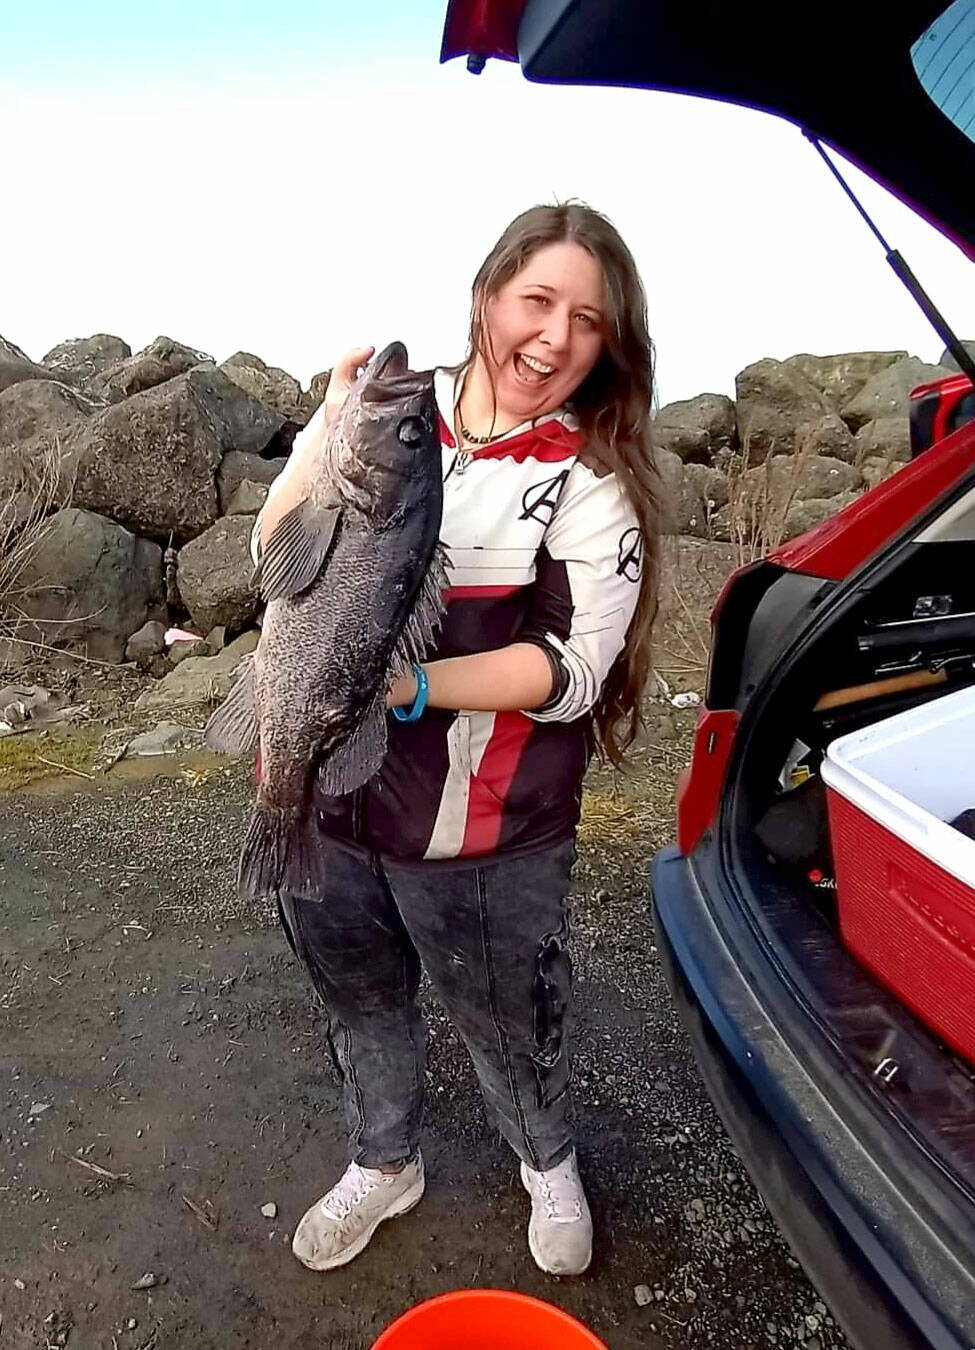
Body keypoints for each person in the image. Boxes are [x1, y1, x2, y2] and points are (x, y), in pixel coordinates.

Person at [250, 202, 661, 1277]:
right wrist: (325, 434)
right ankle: (385, 1163)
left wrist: (406, 683)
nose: (556, 335)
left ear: (610, 345)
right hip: (335, 810)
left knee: (507, 1014)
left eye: (589, 319)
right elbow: (275, 551)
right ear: (489, 295)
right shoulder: (386, 418)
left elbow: (570, 674)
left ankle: (547, 1162)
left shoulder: (590, 482)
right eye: (538, 300)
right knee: (363, 1000)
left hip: (488, 827)